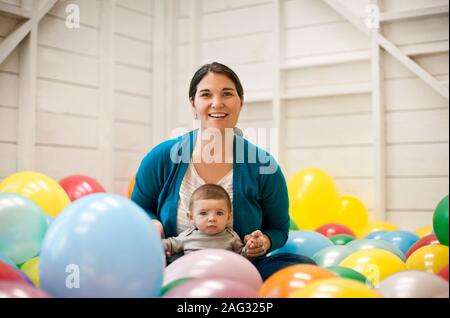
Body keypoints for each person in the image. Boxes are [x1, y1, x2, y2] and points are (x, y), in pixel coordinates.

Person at [131, 62, 315, 280]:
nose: (217, 103)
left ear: (240, 101)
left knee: (304, 268)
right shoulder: (162, 157)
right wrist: (154, 224)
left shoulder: (264, 166)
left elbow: (278, 228)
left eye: (227, 94)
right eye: (206, 94)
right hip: (174, 267)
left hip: (241, 269)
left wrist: (264, 241)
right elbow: (137, 211)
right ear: (193, 103)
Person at [162, 183, 261, 259]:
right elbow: (167, 244)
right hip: (193, 278)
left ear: (228, 217)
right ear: (191, 217)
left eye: (219, 213)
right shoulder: (187, 237)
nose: (212, 218)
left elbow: (242, 258)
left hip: (224, 278)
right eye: (203, 213)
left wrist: (250, 248)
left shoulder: (231, 237)